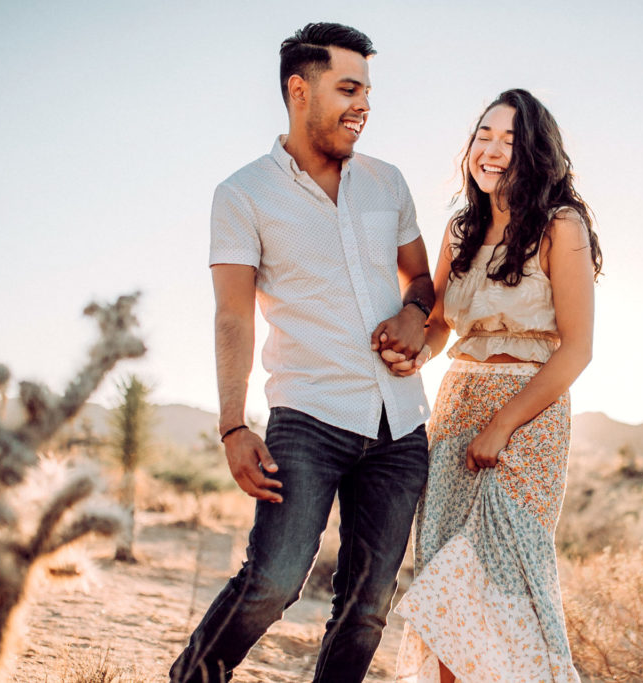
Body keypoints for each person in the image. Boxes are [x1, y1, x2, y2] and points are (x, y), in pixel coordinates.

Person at [170, 22, 435, 683]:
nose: (364, 104)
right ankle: (194, 677)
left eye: (368, 90)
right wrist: (232, 423)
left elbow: (423, 282)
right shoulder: (243, 194)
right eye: (347, 88)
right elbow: (232, 313)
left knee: (370, 603)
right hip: (308, 417)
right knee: (276, 577)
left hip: (400, 426)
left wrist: (411, 313)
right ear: (299, 89)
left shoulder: (388, 182)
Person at [385, 89, 602, 682]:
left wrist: (503, 424)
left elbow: (577, 348)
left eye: (509, 139)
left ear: (534, 152)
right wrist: (414, 355)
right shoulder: (460, 230)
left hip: (529, 416)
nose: (493, 150)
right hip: (457, 410)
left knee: (501, 578)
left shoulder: (561, 226)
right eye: (484, 135)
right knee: (447, 589)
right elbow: (439, 326)